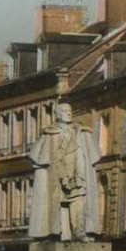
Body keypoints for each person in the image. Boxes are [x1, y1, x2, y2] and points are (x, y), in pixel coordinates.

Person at [27, 102, 102, 241]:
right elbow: (36, 155)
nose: (68, 113)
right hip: (57, 175)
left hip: (77, 174)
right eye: (64, 111)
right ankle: (56, 233)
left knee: (77, 201)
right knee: (57, 204)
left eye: (69, 110)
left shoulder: (80, 131)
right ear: (57, 114)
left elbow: (92, 153)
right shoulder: (50, 133)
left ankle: (79, 233)